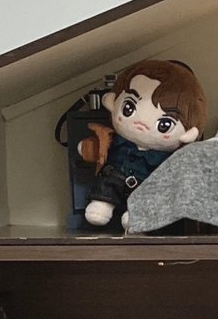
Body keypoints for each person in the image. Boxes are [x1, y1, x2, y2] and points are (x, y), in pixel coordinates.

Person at [79, 60, 208, 230]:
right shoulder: (116, 140)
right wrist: (89, 148)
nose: (142, 125)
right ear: (112, 102)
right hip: (116, 176)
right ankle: (102, 204)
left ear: (188, 133)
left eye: (164, 124)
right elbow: (100, 146)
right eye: (128, 108)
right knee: (108, 181)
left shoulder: (169, 157)